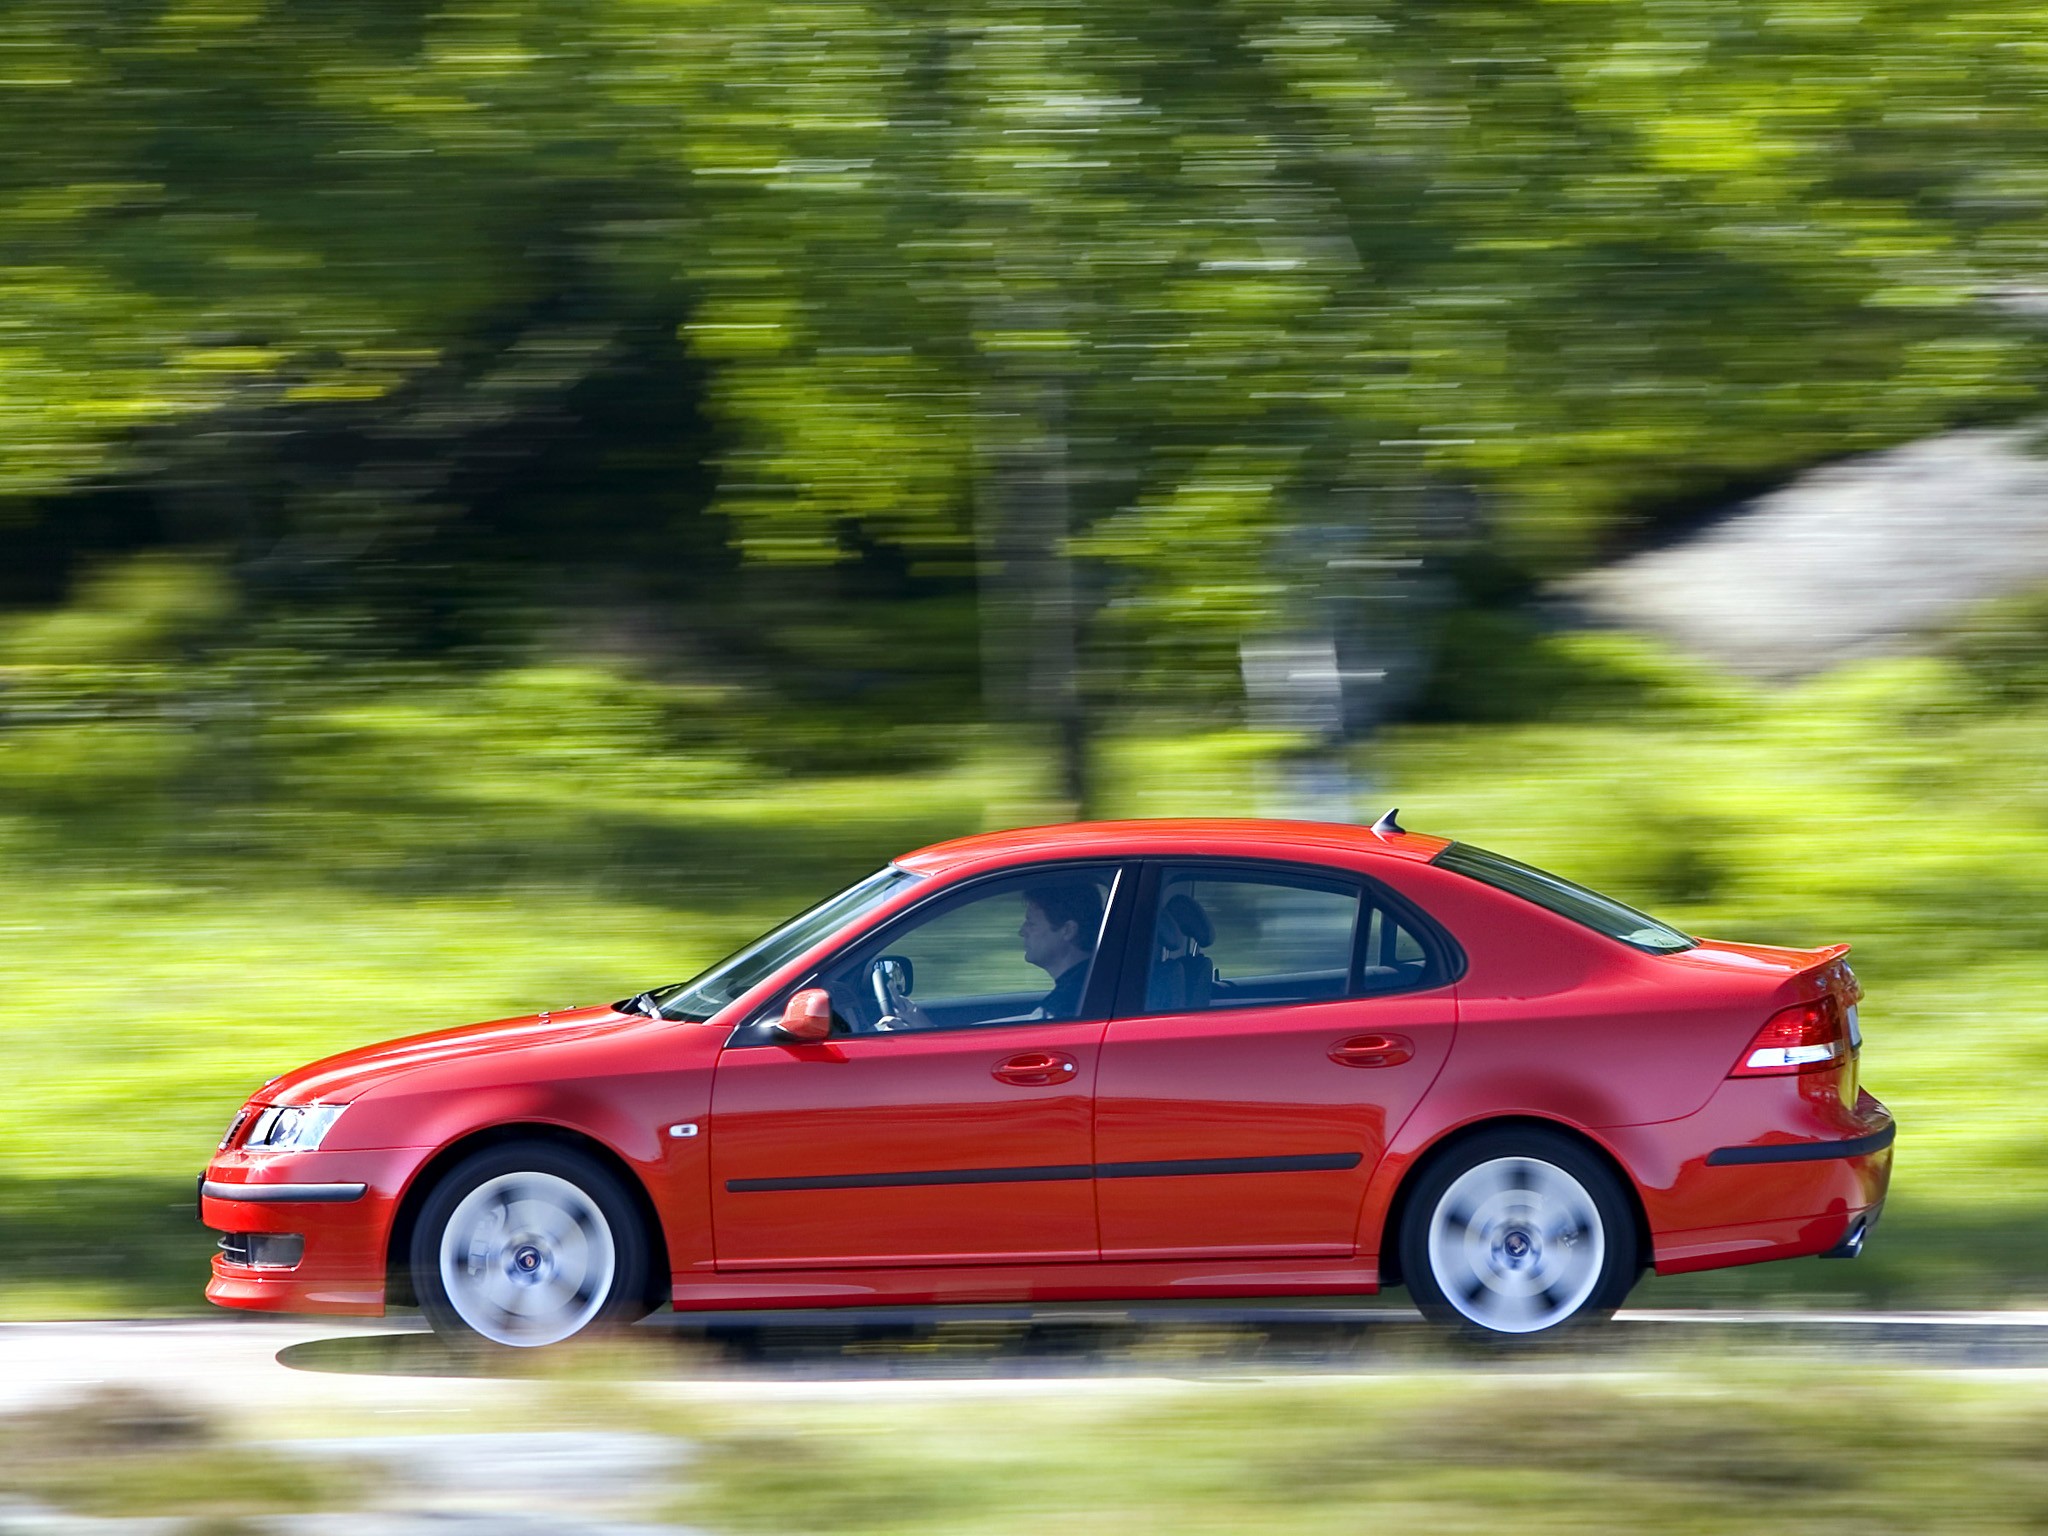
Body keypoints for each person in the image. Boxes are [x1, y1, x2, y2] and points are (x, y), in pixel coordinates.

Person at [1017, 881, 1105, 1021]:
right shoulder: (1094, 985)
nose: (1021, 932)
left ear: (1068, 930)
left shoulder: (1065, 1007)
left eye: (1031, 923)